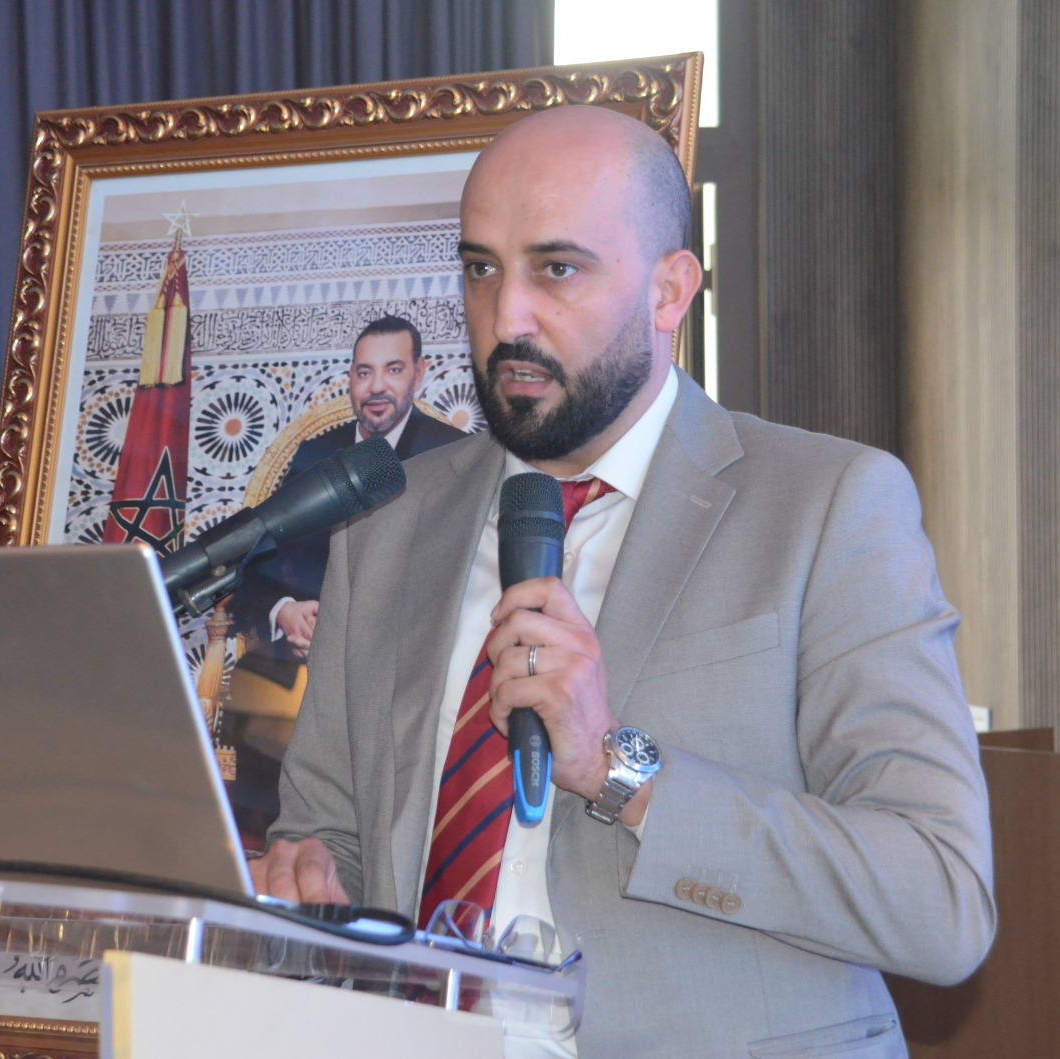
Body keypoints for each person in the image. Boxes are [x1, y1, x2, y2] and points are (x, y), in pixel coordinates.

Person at [251, 105, 995, 1057]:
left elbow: (940, 900)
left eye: (557, 269)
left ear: (669, 290)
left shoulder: (829, 507)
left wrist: (620, 768)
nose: (506, 318)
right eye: (481, 269)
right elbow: (330, 836)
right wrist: (311, 877)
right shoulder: (385, 524)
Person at [235, 315, 464, 659]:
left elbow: (465, 577)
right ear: (351, 378)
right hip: (304, 668)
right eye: (364, 373)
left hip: (409, 659)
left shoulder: (454, 454)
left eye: (394, 370)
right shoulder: (314, 454)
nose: (376, 386)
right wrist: (285, 611)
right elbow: (258, 556)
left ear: (418, 373)